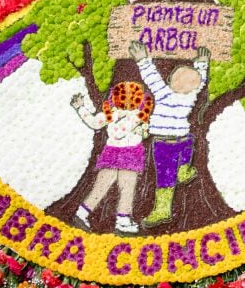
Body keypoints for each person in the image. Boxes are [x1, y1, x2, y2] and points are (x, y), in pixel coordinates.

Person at [129, 41, 209, 228]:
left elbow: (152, 78)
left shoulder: (164, 93)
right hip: (183, 140)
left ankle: (163, 209)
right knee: (188, 144)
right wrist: (202, 64)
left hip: (164, 144)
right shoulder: (191, 97)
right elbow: (200, 81)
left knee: (165, 178)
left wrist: (142, 59)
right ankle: (184, 169)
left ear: (170, 82)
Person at [70, 82, 154, 234]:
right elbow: (122, 131)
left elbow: (94, 123)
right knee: (125, 187)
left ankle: (83, 213)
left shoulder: (111, 114)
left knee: (104, 185)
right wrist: (140, 125)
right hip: (129, 153)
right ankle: (122, 220)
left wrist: (81, 108)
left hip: (113, 151)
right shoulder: (135, 116)